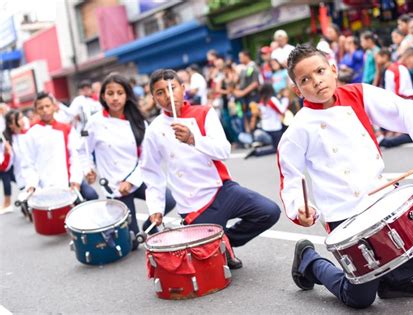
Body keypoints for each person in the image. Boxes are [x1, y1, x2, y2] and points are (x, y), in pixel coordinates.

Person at [278, 44, 413, 308]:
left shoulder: (358, 94)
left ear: (332, 69)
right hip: (344, 215)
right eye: (305, 79)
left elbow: (405, 109)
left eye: (320, 71)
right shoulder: (297, 129)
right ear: (297, 90)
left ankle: (394, 281)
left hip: (383, 194)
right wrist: (300, 209)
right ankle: (310, 261)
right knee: (360, 300)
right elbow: (290, 178)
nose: (316, 82)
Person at [140, 69, 281, 269]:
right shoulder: (154, 130)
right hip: (192, 204)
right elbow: (151, 172)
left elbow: (223, 150)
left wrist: (193, 139)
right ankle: (215, 245)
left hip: (222, 189)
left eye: (172, 88)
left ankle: (225, 242)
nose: (168, 96)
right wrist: (155, 208)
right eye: (160, 92)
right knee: (203, 266)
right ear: (154, 98)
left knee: (269, 212)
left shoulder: (204, 112)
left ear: (183, 88)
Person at [78, 74, 175, 249]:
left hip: (137, 178)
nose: (115, 98)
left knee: (168, 199)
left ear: (127, 95)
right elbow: (83, 150)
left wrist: (130, 181)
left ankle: (149, 226)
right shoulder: (94, 122)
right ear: (103, 96)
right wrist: (88, 169)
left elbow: (147, 157)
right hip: (114, 187)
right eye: (110, 93)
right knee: (131, 243)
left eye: (120, 93)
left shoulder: (138, 121)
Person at [22, 92, 98, 201]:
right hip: (44, 185)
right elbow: (28, 163)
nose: (45, 110)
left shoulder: (66, 129)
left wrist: (75, 180)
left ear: (54, 106)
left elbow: (75, 156)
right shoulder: (31, 133)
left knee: (91, 196)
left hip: (68, 180)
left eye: (47, 106)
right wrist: (31, 184)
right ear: (36, 111)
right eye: (41, 108)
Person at [244, 83, 287, 159]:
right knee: (278, 148)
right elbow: (282, 110)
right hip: (275, 128)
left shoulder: (262, 101)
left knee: (277, 147)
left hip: (266, 127)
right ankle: (258, 152)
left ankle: (258, 151)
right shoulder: (271, 100)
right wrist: (285, 100)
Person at [0, 110, 29, 214]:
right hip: (22, 180)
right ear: (10, 125)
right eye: (19, 119)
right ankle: (23, 205)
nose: (23, 121)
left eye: (22, 117)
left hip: (37, 179)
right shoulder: (7, 142)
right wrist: (7, 153)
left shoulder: (31, 134)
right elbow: (4, 168)